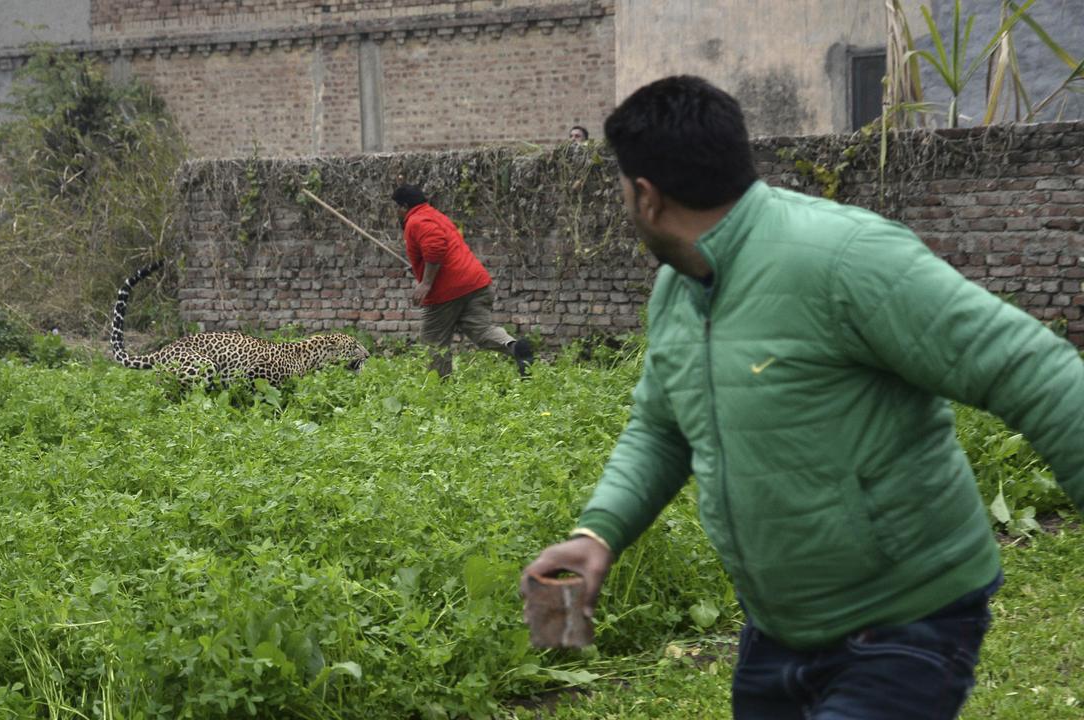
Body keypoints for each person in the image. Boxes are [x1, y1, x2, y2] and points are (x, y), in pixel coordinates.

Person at [522, 75, 1084, 719]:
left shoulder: (845, 258)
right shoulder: (677, 291)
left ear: (645, 195)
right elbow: (660, 429)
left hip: (907, 617)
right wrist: (601, 531)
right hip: (778, 629)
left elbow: (1039, 373)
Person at [391, 184, 534, 379]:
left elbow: (435, 248)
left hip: (447, 291)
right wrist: (421, 268)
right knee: (482, 331)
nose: (396, 212)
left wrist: (426, 283)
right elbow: (442, 249)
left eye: (397, 207)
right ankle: (515, 347)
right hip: (476, 283)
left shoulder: (416, 221)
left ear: (404, 206)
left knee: (434, 342)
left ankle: (439, 389)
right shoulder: (435, 215)